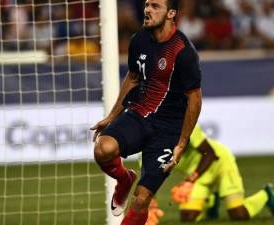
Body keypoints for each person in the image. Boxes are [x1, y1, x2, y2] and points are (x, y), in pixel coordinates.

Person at [91, 0, 202, 224]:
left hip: (168, 131)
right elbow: (132, 77)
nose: (147, 10)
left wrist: (181, 144)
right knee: (103, 149)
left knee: (142, 199)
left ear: (171, 13)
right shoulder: (139, 40)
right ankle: (124, 180)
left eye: (155, 6)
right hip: (139, 114)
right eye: (147, 5)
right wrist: (112, 116)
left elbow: (195, 99)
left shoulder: (183, 52)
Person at [167, 124, 274, 222]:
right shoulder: (155, 139)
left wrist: (190, 179)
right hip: (197, 173)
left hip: (220, 164)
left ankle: (267, 194)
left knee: (238, 215)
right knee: (188, 218)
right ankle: (211, 200)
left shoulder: (186, 125)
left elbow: (210, 154)